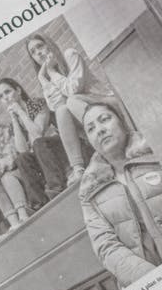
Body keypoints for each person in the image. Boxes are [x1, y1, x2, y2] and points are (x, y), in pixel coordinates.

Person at [77, 100, 162, 288]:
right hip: (145, 285)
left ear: (122, 122)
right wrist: (152, 279)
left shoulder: (156, 152)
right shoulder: (89, 189)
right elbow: (106, 247)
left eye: (105, 119)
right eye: (91, 129)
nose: (100, 130)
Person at [26, 34, 121, 183]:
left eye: (40, 46)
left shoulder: (69, 55)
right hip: (84, 114)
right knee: (62, 110)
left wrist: (51, 72)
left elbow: (73, 90)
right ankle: (78, 168)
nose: (38, 52)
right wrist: (43, 79)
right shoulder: (47, 76)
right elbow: (56, 105)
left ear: (49, 44)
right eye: (33, 52)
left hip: (106, 104)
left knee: (71, 101)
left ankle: (106, 154)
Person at [0, 77, 71, 195]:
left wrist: (20, 111)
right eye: (1, 96)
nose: (5, 97)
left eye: (7, 92)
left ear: (18, 91)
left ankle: (57, 187)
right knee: (21, 158)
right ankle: (39, 201)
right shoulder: (13, 124)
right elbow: (22, 150)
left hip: (58, 147)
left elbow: (37, 134)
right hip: (42, 159)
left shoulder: (37, 103)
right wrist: (14, 119)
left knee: (38, 143)